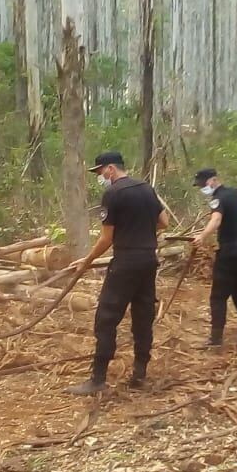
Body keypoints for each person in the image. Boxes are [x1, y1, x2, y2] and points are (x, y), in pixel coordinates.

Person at [65, 151, 168, 395]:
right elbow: (163, 222)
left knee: (106, 318)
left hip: (125, 263)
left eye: (100, 172)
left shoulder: (113, 193)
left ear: (111, 168)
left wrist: (87, 261)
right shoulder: (146, 189)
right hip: (148, 261)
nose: (100, 177)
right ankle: (140, 373)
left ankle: (98, 379)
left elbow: (106, 238)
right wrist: (140, 230)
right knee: (143, 316)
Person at [191, 168, 237, 348]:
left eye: (204, 184)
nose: (202, 188)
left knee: (218, 297)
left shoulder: (218, 198)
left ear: (213, 181)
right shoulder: (233, 192)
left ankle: (216, 340)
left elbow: (216, 220)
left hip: (230, 251)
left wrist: (202, 237)